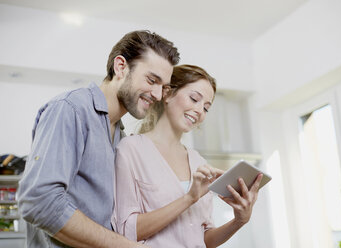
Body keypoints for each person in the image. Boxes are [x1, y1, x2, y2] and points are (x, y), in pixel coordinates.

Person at [17, 30, 180, 248]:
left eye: (164, 87)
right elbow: (39, 202)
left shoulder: (119, 135)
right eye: (152, 80)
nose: (158, 95)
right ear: (120, 67)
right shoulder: (71, 109)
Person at [111, 64, 263, 247]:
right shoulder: (131, 150)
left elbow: (204, 239)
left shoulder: (198, 161)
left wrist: (239, 221)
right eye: (194, 99)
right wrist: (189, 198)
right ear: (167, 93)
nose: (200, 111)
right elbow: (126, 231)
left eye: (206, 108)